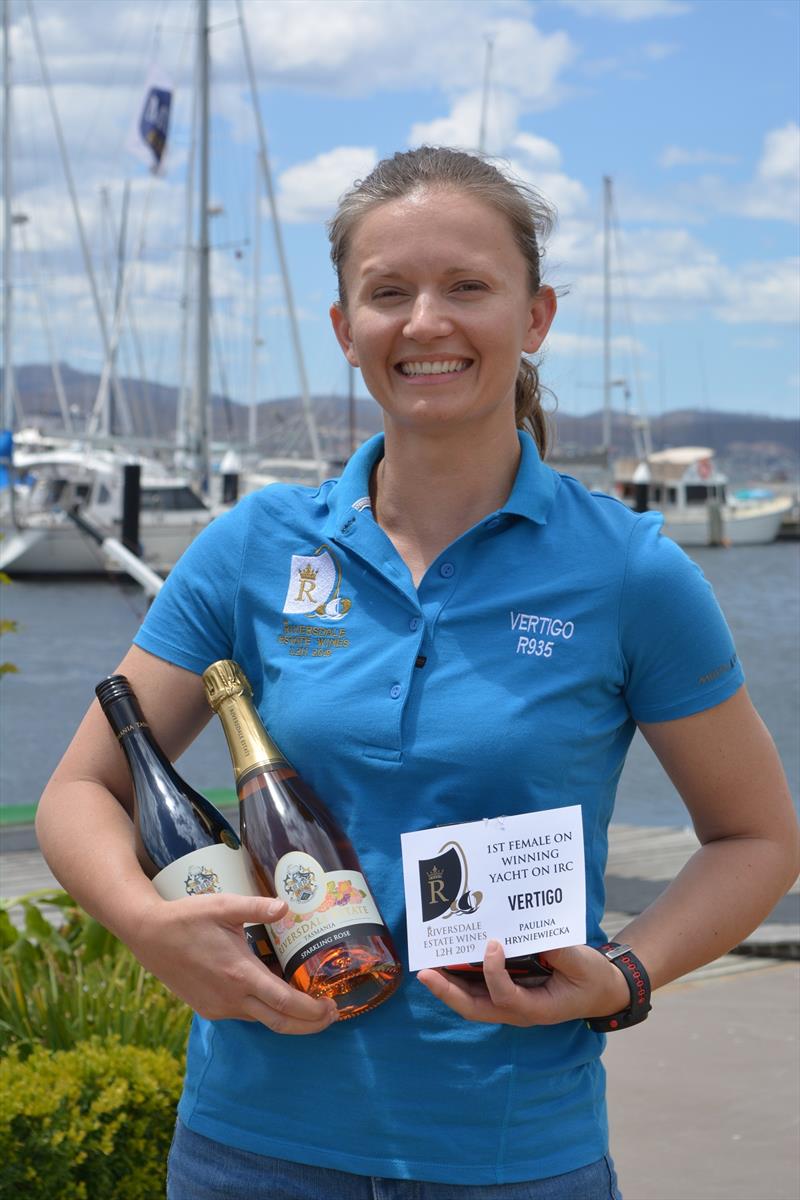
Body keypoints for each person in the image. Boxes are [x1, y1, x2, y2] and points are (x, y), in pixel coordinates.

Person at [36, 147, 799, 1200]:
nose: (425, 322)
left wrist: (626, 973)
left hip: (513, 1153)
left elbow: (755, 836)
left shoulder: (628, 572)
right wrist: (149, 925)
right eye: (387, 292)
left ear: (533, 317)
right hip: (249, 1147)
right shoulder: (253, 547)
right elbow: (81, 790)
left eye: (467, 287)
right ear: (346, 330)